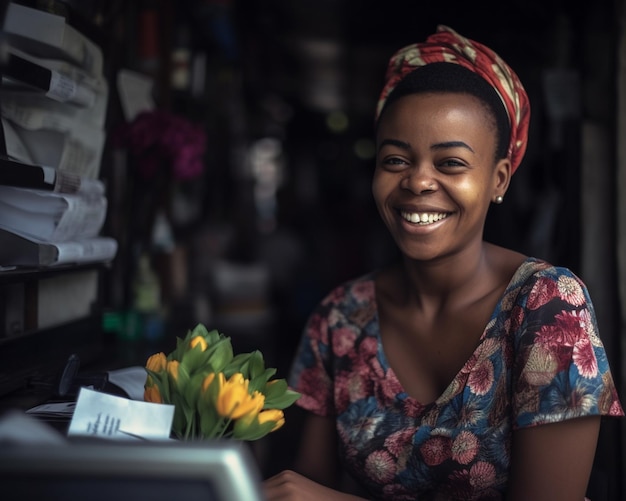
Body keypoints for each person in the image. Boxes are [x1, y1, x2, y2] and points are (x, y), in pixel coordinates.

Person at [262, 25, 624, 500]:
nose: (418, 182)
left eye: (450, 163)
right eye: (395, 160)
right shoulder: (340, 319)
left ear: (498, 179)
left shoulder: (547, 306)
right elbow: (305, 490)